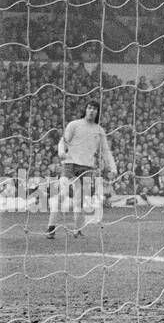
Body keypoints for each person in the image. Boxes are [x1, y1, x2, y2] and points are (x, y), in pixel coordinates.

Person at [46, 101, 115, 239]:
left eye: (94, 109)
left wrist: (113, 167)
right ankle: (51, 227)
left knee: (80, 199)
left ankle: (77, 230)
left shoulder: (99, 131)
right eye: (89, 108)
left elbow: (106, 151)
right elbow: (63, 141)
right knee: (63, 194)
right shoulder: (74, 124)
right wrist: (61, 152)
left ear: (97, 112)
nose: (91, 111)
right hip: (70, 164)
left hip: (87, 167)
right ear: (86, 109)